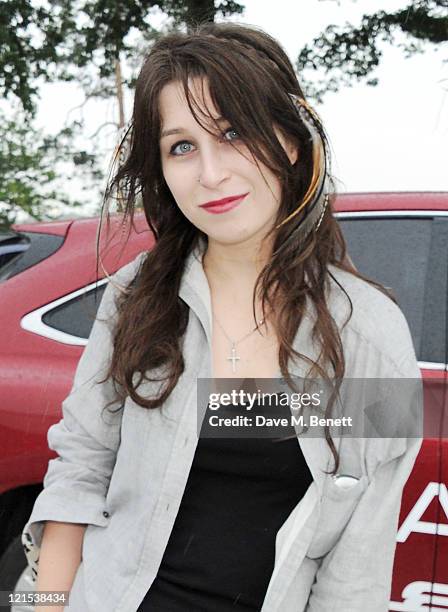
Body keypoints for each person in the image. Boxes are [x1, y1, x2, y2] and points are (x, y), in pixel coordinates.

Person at [21, 21, 422, 612]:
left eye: (232, 133)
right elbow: (80, 470)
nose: (211, 174)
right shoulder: (137, 294)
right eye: (182, 146)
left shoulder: (371, 334)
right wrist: (37, 607)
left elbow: (357, 567)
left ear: (288, 141)